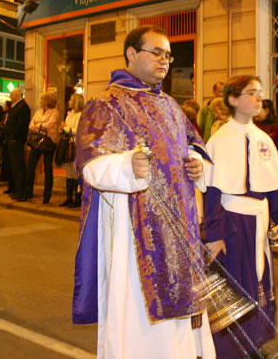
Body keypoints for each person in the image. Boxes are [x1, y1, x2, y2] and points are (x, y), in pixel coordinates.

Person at [72, 25, 215, 358]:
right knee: (137, 314)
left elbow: (194, 145)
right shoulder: (105, 102)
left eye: (168, 55)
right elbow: (89, 161)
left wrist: (197, 165)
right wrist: (125, 166)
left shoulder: (170, 105)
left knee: (182, 312)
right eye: (156, 53)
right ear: (131, 54)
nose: (164, 60)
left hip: (179, 227)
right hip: (133, 228)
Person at [203, 75, 278, 358]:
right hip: (234, 222)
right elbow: (212, 191)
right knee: (236, 285)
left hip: (259, 220)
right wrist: (214, 234)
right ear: (233, 99)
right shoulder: (220, 140)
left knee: (261, 282)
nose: (259, 98)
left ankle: (254, 342)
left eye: (260, 93)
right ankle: (230, 350)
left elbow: (275, 184)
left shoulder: (264, 139)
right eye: (251, 93)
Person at [24, 91, 59, 204]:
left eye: (42, 99)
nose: (40, 101)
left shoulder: (54, 112)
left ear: (47, 101)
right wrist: (40, 126)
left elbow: (49, 124)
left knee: (48, 168)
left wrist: (37, 126)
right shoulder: (38, 111)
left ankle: (47, 195)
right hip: (37, 141)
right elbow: (30, 124)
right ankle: (28, 192)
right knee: (30, 165)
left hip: (49, 142)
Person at [4, 89, 30, 201]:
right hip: (12, 140)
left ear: (16, 95)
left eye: (11, 95)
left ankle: (21, 191)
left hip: (16, 140)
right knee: (14, 166)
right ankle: (16, 189)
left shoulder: (23, 107)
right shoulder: (16, 107)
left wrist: (14, 137)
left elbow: (21, 125)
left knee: (18, 166)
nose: (10, 97)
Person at [59, 94, 84, 207]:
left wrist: (65, 128)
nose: (69, 101)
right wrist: (63, 129)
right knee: (68, 171)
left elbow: (77, 130)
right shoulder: (69, 114)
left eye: (71, 100)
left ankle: (77, 198)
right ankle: (69, 197)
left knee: (75, 171)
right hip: (68, 144)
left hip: (76, 145)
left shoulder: (80, 115)